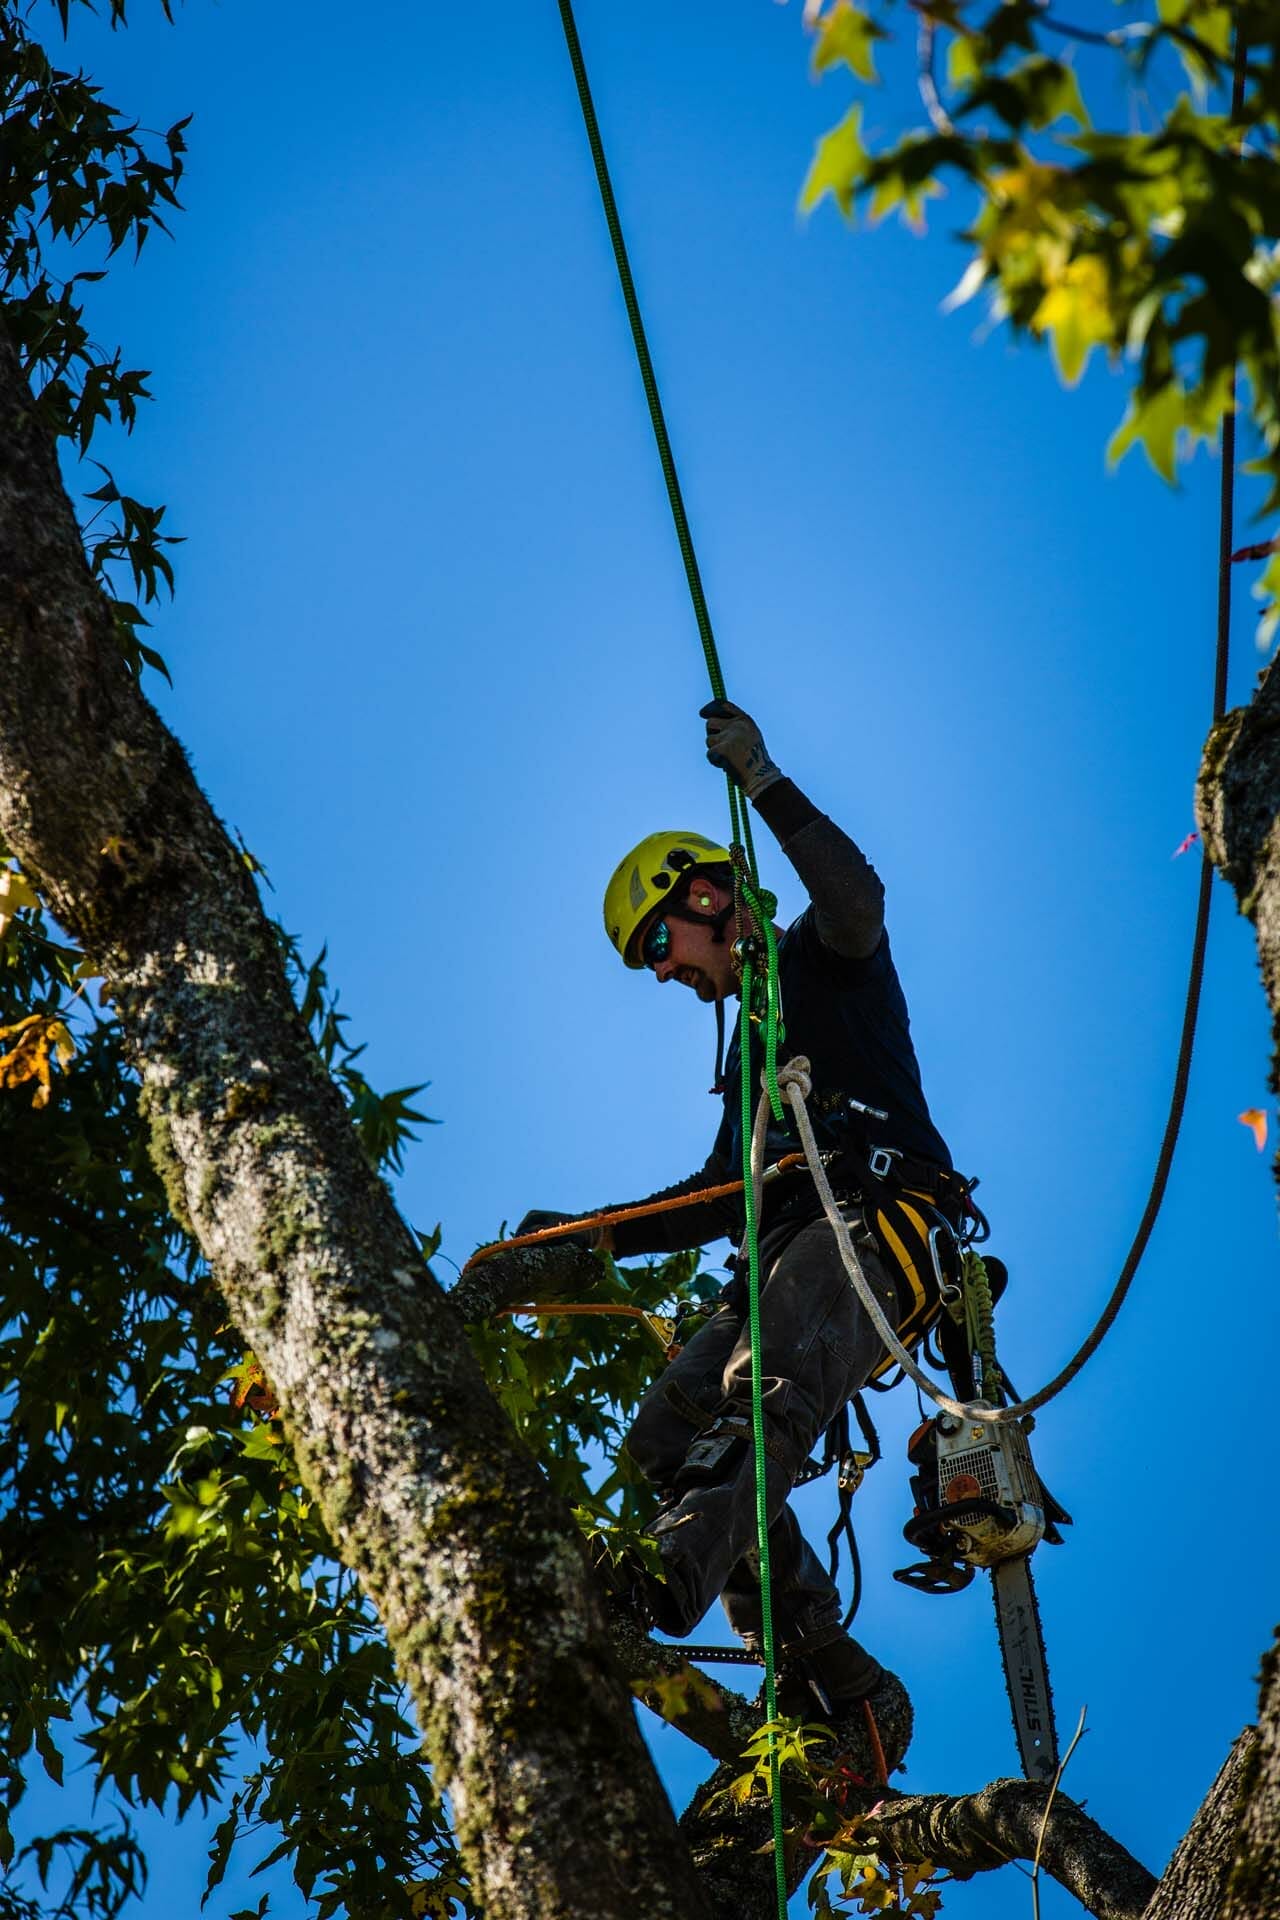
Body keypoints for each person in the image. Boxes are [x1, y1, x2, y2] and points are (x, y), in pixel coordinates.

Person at [521, 700, 968, 1741]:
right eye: (649, 962)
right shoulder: (747, 1060)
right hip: (786, 1254)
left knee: (751, 1393)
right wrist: (577, 1240)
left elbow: (859, 900)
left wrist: (762, 774)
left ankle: (652, 1585)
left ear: (709, 895)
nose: (666, 974)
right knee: (664, 1432)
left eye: (659, 943)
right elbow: (716, 1196)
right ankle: (827, 1670)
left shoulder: (820, 958)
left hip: (876, 1229)